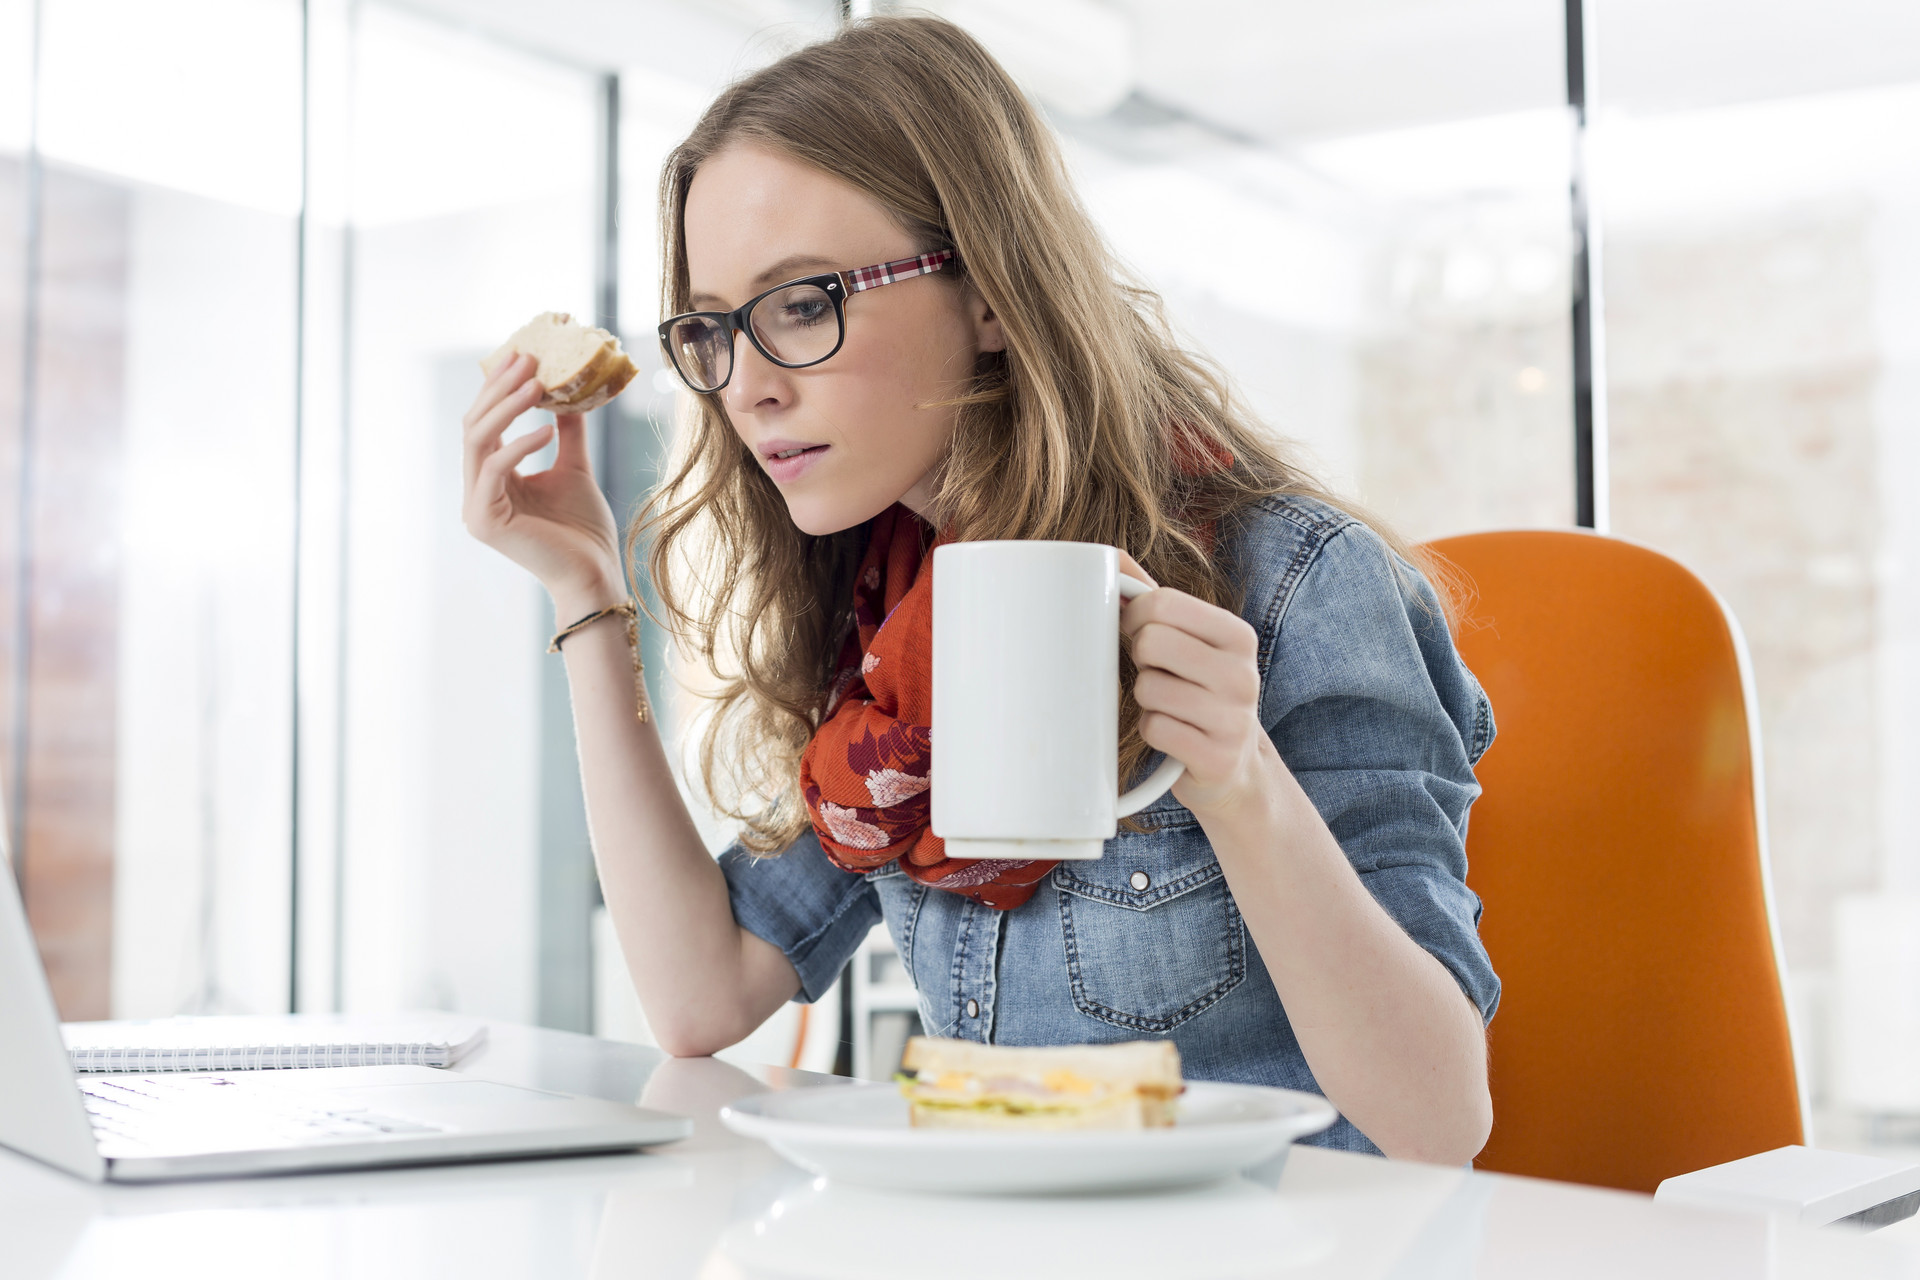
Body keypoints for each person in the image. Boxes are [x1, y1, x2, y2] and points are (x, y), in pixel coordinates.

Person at [460, 15, 1497, 1162]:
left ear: (991, 292)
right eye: (713, 328)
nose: (744, 386)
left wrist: (1239, 784)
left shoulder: (1298, 583)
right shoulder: (890, 617)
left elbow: (1438, 1117)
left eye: (803, 304)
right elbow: (706, 990)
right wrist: (586, 591)